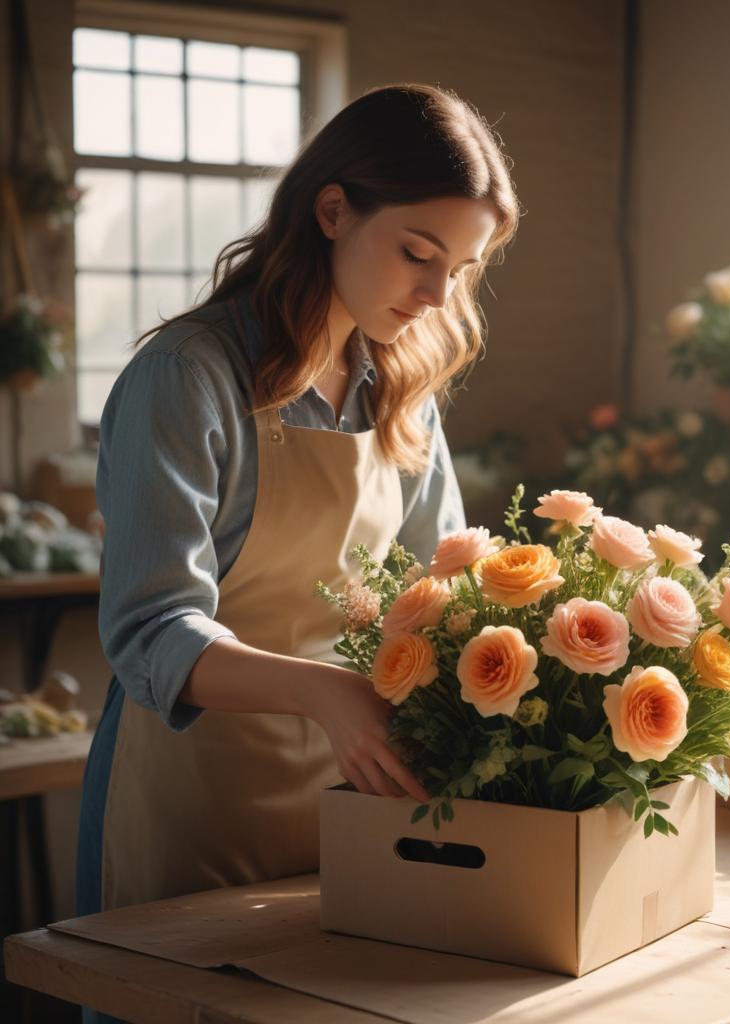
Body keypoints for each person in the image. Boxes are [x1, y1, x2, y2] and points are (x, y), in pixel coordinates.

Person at [76, 82, 519, 950]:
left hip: (352, 793)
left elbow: (445, 585)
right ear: (331, 209)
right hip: (194, 800)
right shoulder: (186, 378)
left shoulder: (402, 389)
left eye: (456, 270)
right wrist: (328, 692)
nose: (434, 295)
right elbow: (149, 632)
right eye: (416, 253)